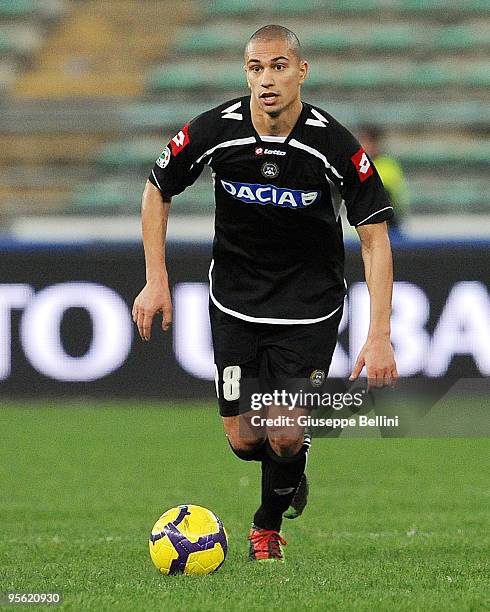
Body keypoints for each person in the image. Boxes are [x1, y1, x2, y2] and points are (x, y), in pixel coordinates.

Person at [133, 25, 398, 562]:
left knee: (281, 430)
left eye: (278, 66)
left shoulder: (335, 145)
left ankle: (266, 527)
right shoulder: (216, 130)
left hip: (309, 306)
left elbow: (373, 239)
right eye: (256, 68)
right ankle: (291, 467)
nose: (266, 80)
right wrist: (155, 278)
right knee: (243, 440)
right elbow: (157, 189)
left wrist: (380, 334)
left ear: (301, 71)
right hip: (236, 301)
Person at [358, 124, 410, 240]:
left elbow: (390, 196)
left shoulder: (388, 165)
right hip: (361, 229)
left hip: (388, 226)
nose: (363, 146)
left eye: (366, 142)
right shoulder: (357, 165)